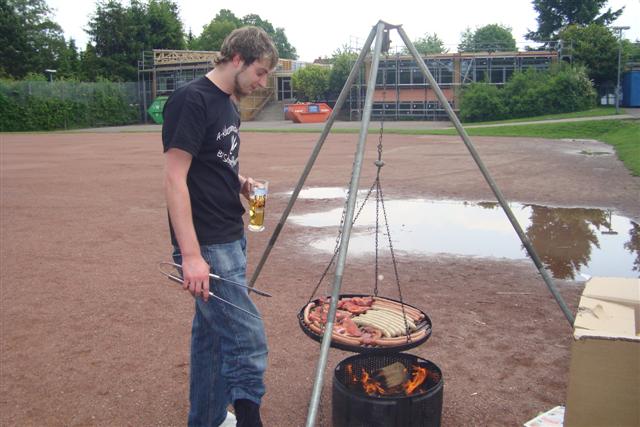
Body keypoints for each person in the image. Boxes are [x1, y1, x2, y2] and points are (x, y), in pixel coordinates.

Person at [162, 26, 278, 427]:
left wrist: (241, 182)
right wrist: (191, 256)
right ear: (237, 59)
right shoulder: (191, 100)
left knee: (211, 339)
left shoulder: (229, 105)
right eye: (260, 72)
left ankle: (208, 419)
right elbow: (174, 177)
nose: (262, 83)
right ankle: (249, 419)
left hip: (231, 234)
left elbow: (214, 162)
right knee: (247, 337)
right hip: (207, 243)